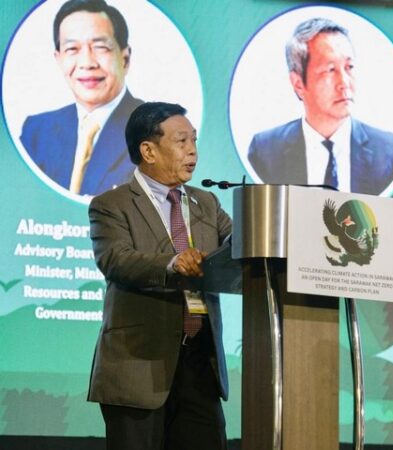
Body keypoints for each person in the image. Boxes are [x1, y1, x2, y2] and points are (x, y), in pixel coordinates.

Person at [87, 101, 232, 450]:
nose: (192, 150)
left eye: (194, 140)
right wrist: (172, 263)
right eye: (181, 141)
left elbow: (241, 246)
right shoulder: (112, 204)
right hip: (139, 364)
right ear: (148, 150)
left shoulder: (207, 203)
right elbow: (116, 259)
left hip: (200, 364)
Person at [248, 17, 393, 195]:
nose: (344, 83)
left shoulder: (390, 152)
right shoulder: (265, 151)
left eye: (349, 67)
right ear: (298, 83)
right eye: (330, 70)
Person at [20, 0, 143, 196]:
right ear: (58, 59)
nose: (87, 63)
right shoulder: (36, 131)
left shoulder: (157, 132)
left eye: (100, 47)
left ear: (125, 59)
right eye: (72, 49)